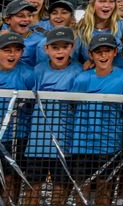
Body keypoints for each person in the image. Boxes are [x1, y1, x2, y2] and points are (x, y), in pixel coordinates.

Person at [68, 34, 123, 206]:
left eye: (107, 51)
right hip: (82, 144)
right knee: (83, 187)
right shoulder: (81, 78)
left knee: (105, 186)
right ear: (91, 55)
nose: (103, 56)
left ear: (115, 52)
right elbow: (73, 105)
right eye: (98, 52)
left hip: (110, 143)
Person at [0, 32, 36, 204]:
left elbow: (34, 105)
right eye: (7, 50)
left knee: (11, 179)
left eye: (17, 50)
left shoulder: (28, 74)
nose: (12, 54)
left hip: (18, 137)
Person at [23, 27, 78, 206]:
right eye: (55, 47)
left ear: (72, 47)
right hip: (37, 143)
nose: (60, 51)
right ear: (46, 49)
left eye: (64, 46)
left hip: (65, 142)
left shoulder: (78, 72)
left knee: (60, 188)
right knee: (32, 188)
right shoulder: (38, 70)